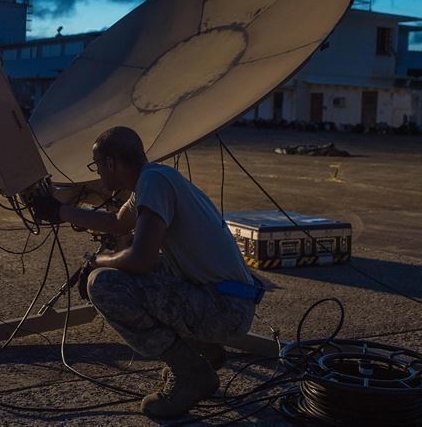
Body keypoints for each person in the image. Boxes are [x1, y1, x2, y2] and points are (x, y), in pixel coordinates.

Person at [29, 126, 262, 419]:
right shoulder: (154, 179)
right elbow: (118, 223)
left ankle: (191, 371)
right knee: (140, 272)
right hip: (227, 300)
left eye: (97, 166)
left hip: (224, 310)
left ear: (111, 163)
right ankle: (203, 350)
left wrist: (98, 263)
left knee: (104, 284)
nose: (98, 174)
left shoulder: (153, 182)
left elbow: (141, 259)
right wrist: (58, 212)